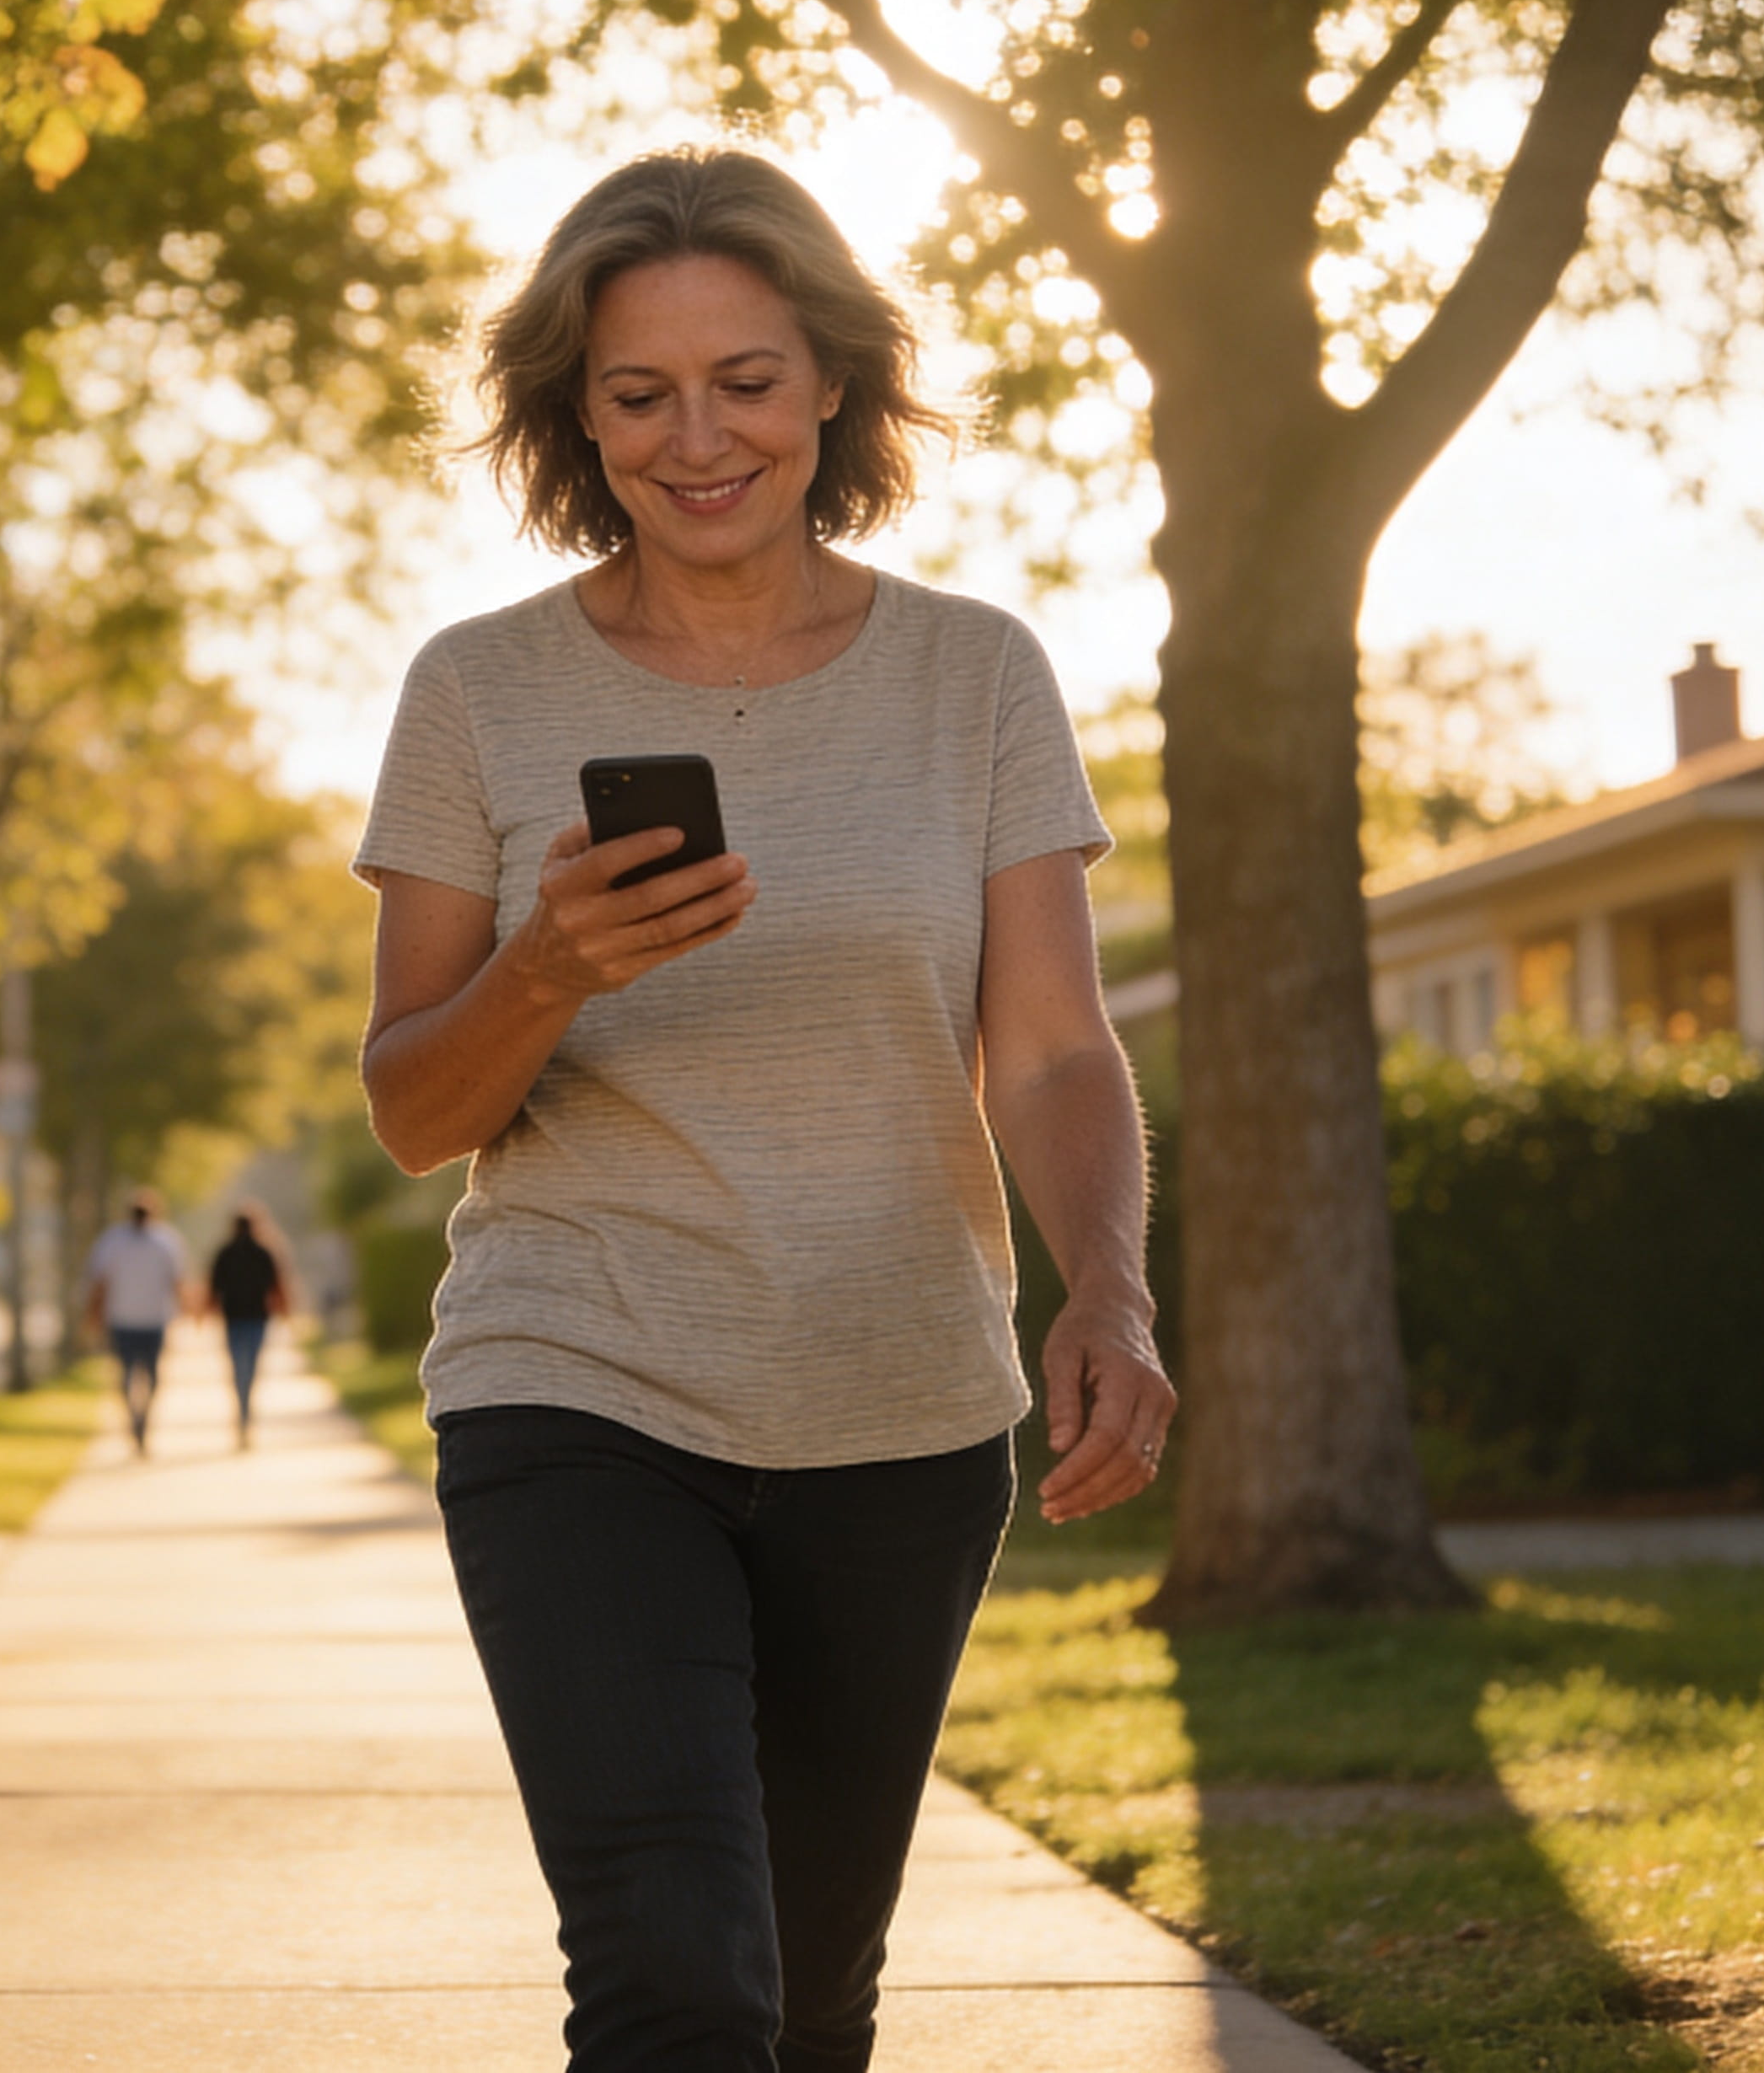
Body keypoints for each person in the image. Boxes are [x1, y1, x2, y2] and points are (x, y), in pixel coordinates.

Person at [352, 147, 1169, 2073]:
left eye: (743, 379)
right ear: (576, 415)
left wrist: (1107, 1284)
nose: (694, 435)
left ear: (831, 384)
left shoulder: (972, 675)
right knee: (678, 1986)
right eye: (637, 393)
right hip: (578, 1394)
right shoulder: (477, 691)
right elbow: (408, 1105)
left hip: (894, 1415)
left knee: (805, 2006)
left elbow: (1049, 1044)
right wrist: (546, 969)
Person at [81, 1192, 190, 1456]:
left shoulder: (162, 1241)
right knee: (133, 1375)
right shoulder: (118, 1241)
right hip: (131, 1320)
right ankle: (136, 1418)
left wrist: (93, 1315)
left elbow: (177, 1282)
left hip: (145, 1319)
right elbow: (101, 1283)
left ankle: (140, 1418)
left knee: (143, 1375)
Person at [196, 1201, 300, 1447]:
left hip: (233, 1319)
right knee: (250, 1369)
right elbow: (278, 1287)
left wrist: (203, 1314)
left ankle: (242, 1411)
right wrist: (286, 1314)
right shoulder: (264, 1252)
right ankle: (245, 1412)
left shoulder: (225, 1252)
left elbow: (213, 1288)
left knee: (238, 1369)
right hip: (256, 1320)